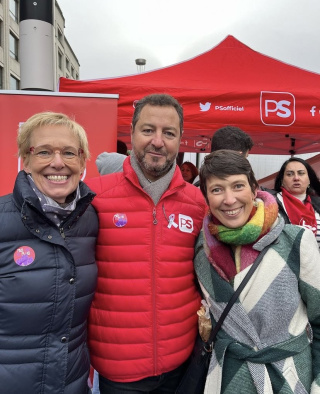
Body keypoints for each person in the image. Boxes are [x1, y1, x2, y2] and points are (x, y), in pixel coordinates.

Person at [86, 93, 206, 394]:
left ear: (180, 140)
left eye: (169, 133)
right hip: (118, 368)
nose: (157, 141)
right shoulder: (93, 195)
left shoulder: (197, 202)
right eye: (148, 130)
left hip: (182, 363)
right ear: (131, 133)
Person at [195, 149, 320, 393]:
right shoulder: (201, 251)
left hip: (291, 376)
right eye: (217, 189)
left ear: (254, 189)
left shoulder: (295, 241)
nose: (229, 199)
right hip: (229, 377)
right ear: (207, 198)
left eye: (238, 186)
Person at [0, 112, 98, 394]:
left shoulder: (90, 220)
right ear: (26, 161)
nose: (58, 162)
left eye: (69, 152)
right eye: (44, 151)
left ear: (81, 162)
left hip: (72, 383)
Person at [270, 157, 320, 247]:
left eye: (301, 173)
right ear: (282, 180)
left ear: (309, 180)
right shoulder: (271, 202)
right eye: (289, 174)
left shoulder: (318, 204)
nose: (296, 178)